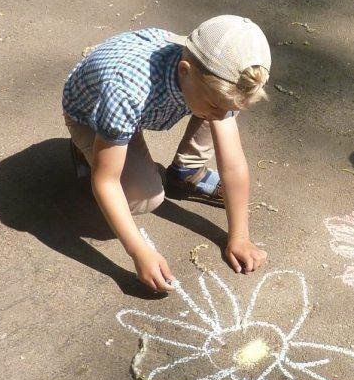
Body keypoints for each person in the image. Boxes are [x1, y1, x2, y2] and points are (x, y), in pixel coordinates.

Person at [63, 15, 270, 292]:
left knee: (218, 112)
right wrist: (139, 253)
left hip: (160, 101)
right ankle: (85, 150)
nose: (222, 116)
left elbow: (232, 165)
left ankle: (186, 173)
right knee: (144, 198)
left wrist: (240, 236)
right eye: (216, 105)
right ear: (184, 70)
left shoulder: (213, 72)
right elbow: (106, 181)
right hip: (91, 115)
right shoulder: (127, 90)